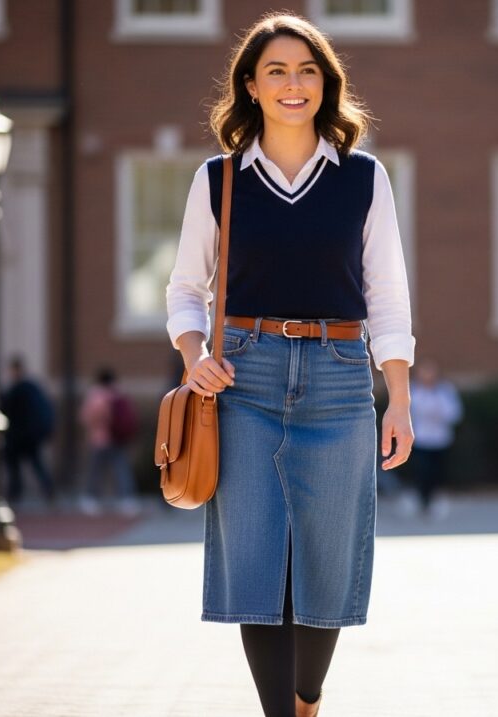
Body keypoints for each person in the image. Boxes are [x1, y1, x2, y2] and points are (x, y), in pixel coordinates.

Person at [165, 13, 414, 717]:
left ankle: (307, 698)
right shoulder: (218, 179)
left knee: (328, 566)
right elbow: (185, 290)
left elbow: (389, 296)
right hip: (244, 380)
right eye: (276, 71)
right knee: (256, 566)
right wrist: (195, 360)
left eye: (306, 70)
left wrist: (397, 397)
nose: (292, 84)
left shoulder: (363, 177)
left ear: (326, 84)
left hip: (339, 380)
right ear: (251, 85)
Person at [78, 367, 140, 516]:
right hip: (118, 438)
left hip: (100, 439)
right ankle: (127, 500)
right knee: (122, 470)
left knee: (96, 471)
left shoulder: (96, 394)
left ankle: (91, 500)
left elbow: (86, 417)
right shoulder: (120, 393)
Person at [409, 359, 462, 516]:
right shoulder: (412, 390)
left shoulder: (445, 390)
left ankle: (434, 500)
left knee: (437, 472)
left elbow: (455, 413)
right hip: (419, 439)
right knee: (422, 471)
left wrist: (438, 411)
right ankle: (421, 500)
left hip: (440, 440)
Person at [0, 355, 55, 506]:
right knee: (34, 465)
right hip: (29, 436)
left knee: (17, 466)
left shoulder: (18, 390)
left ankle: (15, 494)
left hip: (19, 436)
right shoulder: (31, 388)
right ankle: (47, 490)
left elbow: (7, 411)